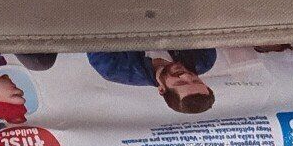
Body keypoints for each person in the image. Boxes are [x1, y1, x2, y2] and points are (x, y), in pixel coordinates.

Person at [87, 49, 217, 114]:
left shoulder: (114, 68)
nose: (186, 75)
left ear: (162, 89)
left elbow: (91, 28)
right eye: (196, 80)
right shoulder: (204, 59)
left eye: (180, 83)